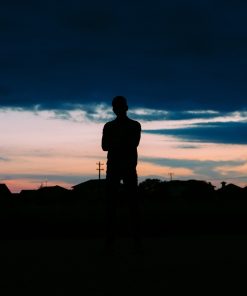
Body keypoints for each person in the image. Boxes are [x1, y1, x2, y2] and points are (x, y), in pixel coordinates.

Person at [102, 96, 141, 251]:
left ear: (125, 108)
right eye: (116, 106)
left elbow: (133, 143)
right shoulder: (111, 126)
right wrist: (121, 142)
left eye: (119, 106)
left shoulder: (133, 125)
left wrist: (116, 142)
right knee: (112, 205)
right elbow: (105, 146)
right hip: (115, 168)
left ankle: (135, 241)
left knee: (131, 205)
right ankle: (111, 241)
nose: (117, 109)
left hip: (127, 168)